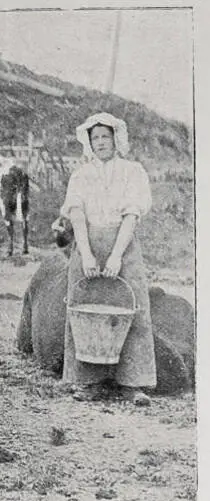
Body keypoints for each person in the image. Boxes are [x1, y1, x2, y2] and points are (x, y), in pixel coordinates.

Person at [59, 112, 156, 404]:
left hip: (122, 244)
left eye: (105, 136)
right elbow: (76, 212)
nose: (101, 142)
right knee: (84, 310)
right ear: (88, 142)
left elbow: (132, 214)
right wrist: (87, 254)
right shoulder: (81, 175)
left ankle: (133, 382)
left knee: (132, 306)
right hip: (87, 242)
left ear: (116, 138)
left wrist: (116, 256)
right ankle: (88, 381)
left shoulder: (132, 171)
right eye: (95, 138)